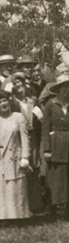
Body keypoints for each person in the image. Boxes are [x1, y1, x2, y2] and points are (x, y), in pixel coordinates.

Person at [40, 75, 69, 219]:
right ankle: (55, 209)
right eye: (63, 87)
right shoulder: (50, 105)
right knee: (56, 177)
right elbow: (45, 129)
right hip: (56, 143)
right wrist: (47, 149)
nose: (66, 90)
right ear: (58, 90)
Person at [0, 92, 31, 221]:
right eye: (0, 102)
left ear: (9, 101)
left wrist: (25, 157)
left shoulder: (18, 117)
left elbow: (25, 139)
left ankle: (17, 218)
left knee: (14, 189)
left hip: (14, 158)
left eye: (4, 100)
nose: (3, 104)